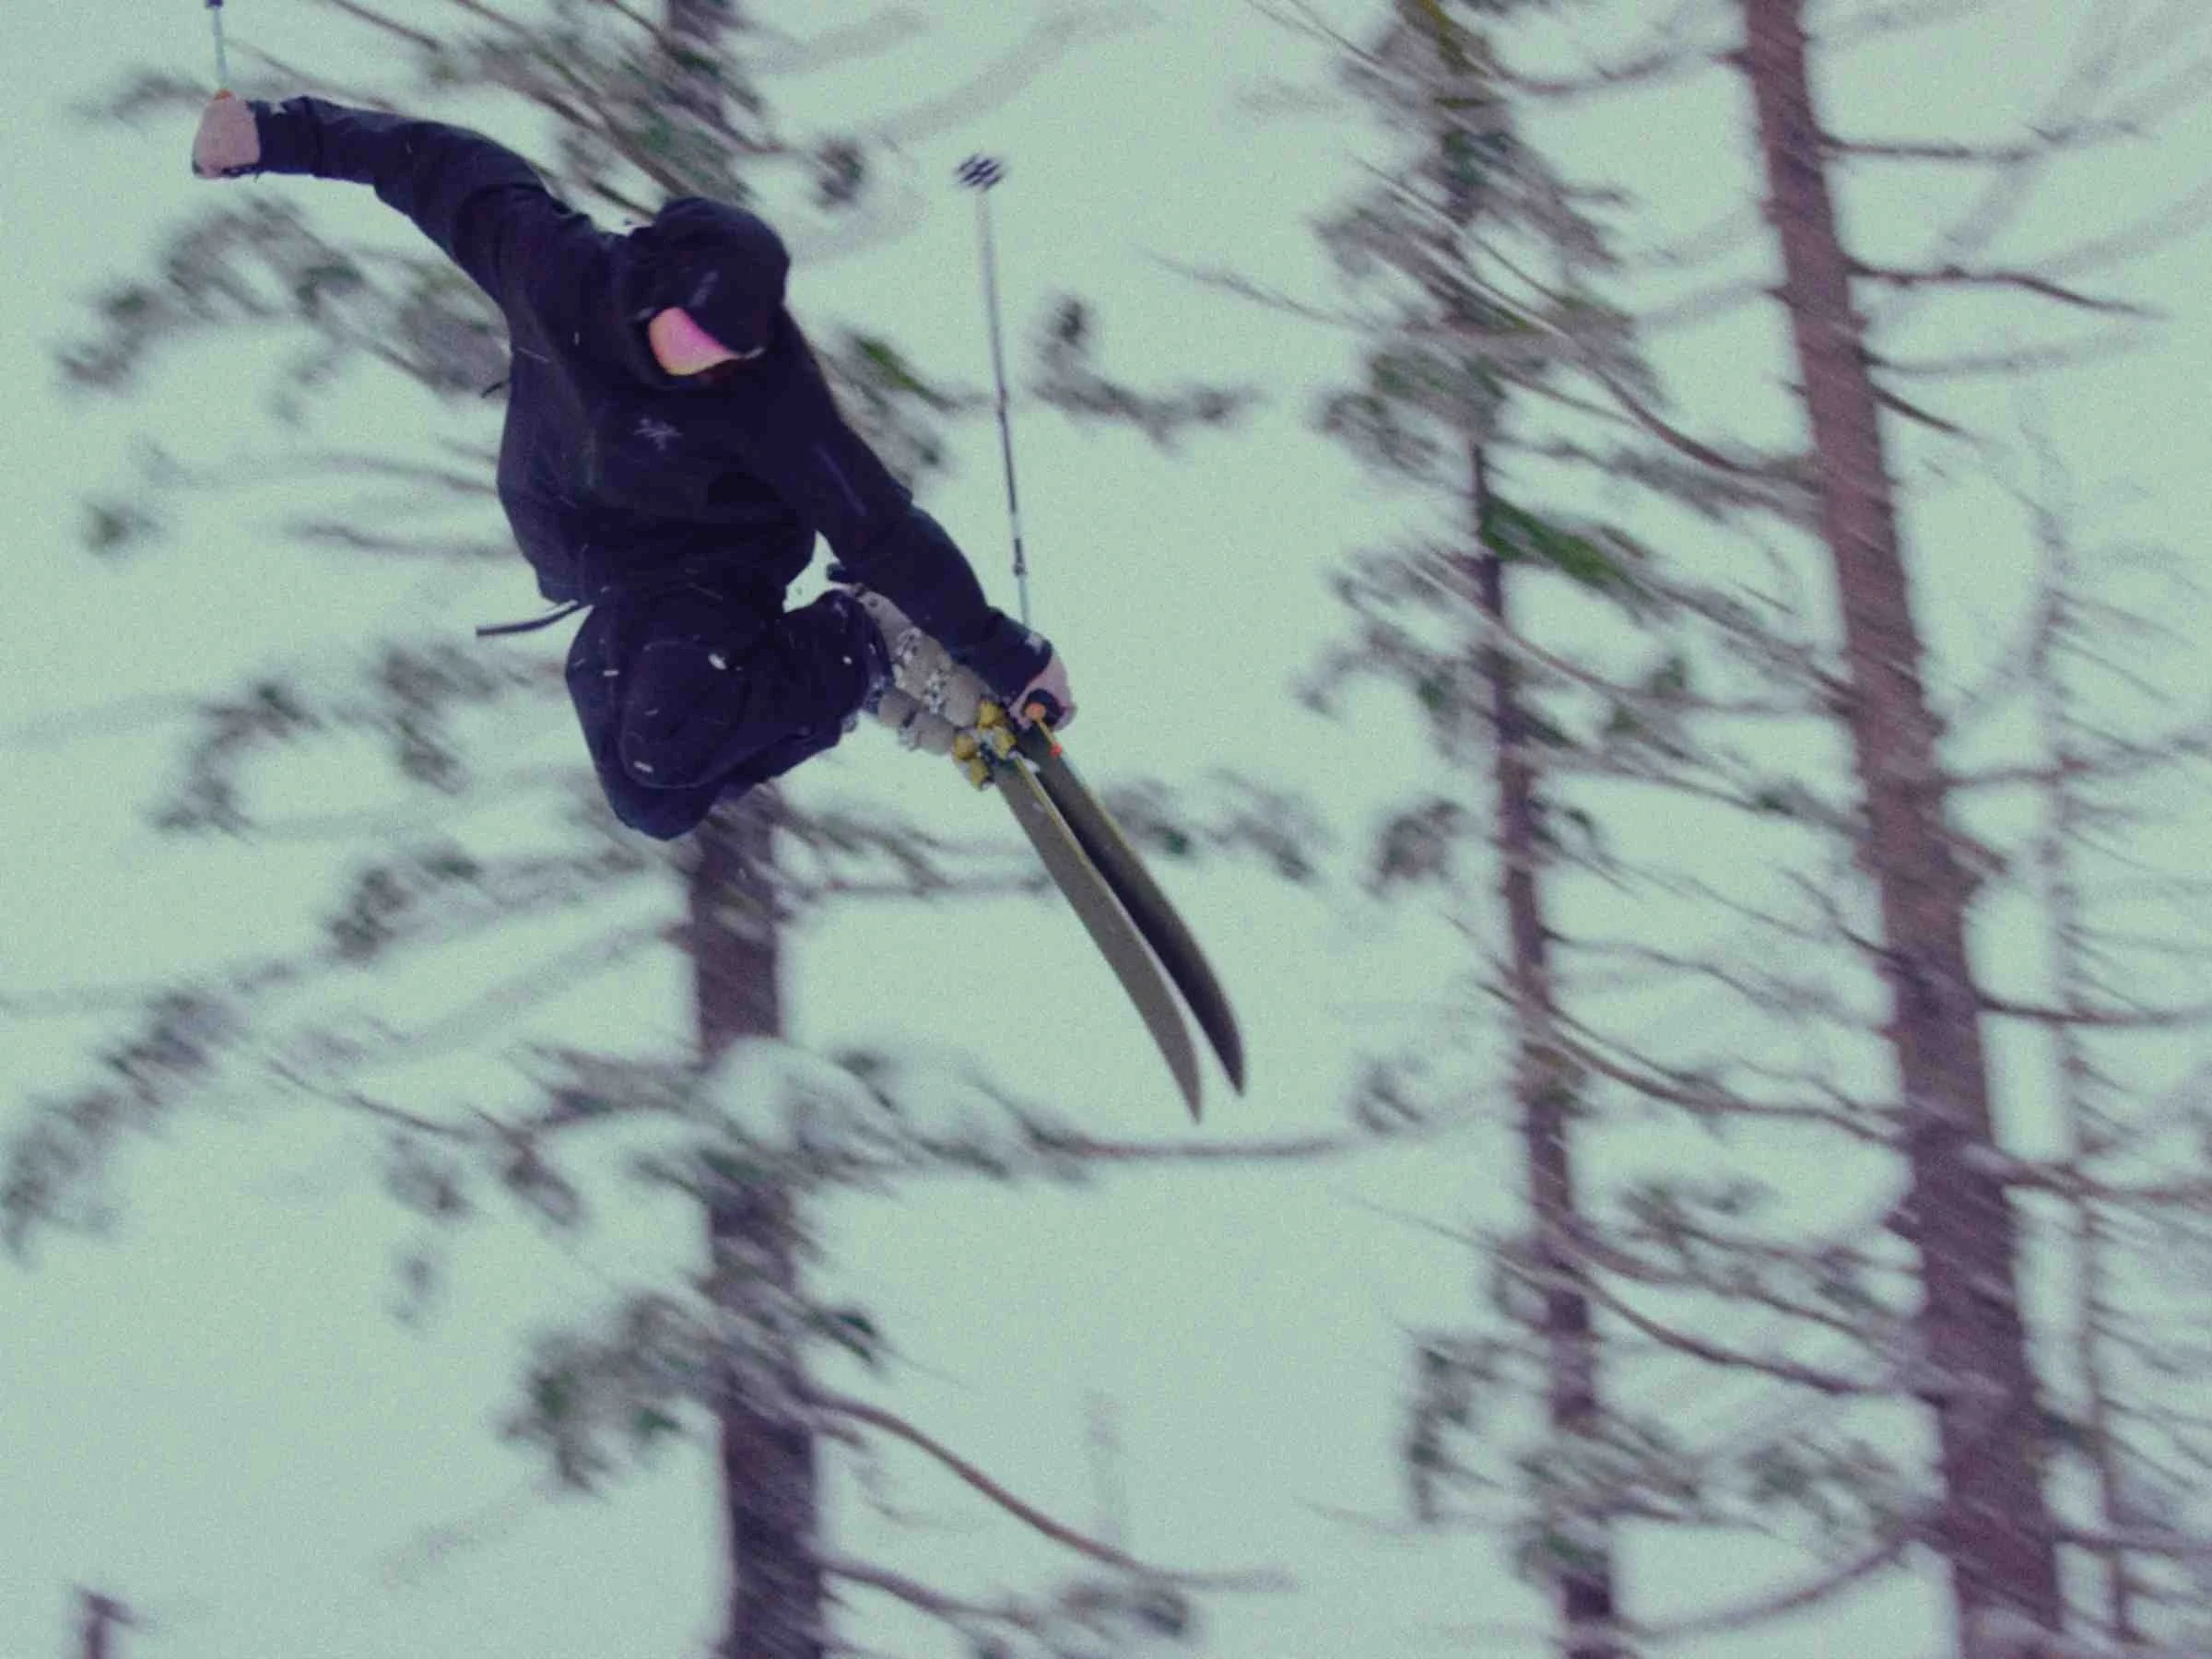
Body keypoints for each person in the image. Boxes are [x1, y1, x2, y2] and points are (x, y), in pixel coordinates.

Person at [191, 92, 1076, 841]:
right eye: (691, 340)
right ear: (650, 286)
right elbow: (424, 161)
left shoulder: (768, 395)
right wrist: (268, 135)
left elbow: (880, 527)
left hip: (716, 567)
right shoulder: (551, 267)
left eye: (731, 352)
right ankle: (850, 669)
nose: (707, 368)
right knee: (651, 797)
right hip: (612, 570)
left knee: (668, 740)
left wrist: (1010, 654)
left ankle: (861, 640)